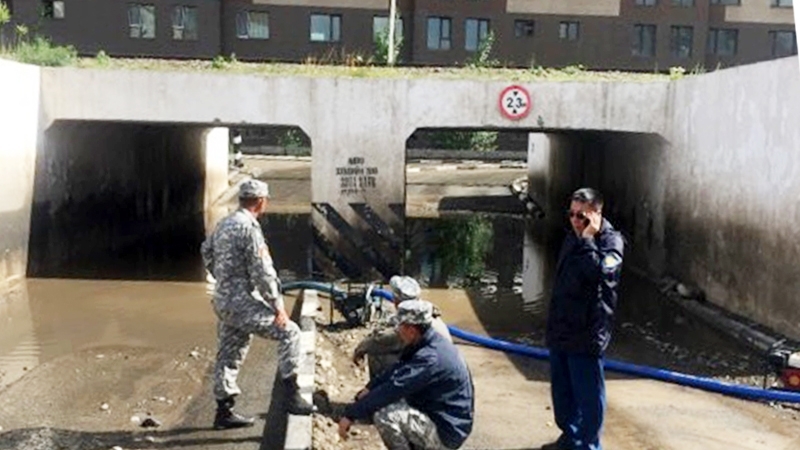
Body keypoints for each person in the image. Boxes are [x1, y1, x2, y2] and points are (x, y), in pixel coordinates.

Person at [201, 179, 315, 430]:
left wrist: (222, 279)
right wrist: (278, 307)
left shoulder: (224, 223)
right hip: (241, 301)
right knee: (291, 333)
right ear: (261, 201)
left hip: (223, 300)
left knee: (231, 351)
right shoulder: (249, 228)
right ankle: (291, 397)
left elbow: (206, 252)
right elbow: (263, 272)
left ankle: (223, 412)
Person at [544, 188, 624, 450]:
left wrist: (589, 240)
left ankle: (588, 445)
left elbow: (599, 275)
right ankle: (570, 437)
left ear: (596, 214)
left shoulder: (611, 243)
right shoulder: (571, 237)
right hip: (562, 330)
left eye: (582, 216)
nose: (576, 221)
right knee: (563, 397)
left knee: (589, 398)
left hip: (586, 333)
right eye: (572, 214)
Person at [339, 300, 475, 450]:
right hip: (442, 415)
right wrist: (370, 387)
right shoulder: (428, 342)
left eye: (400, 327)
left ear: (412, 330)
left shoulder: (430, 358)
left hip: (447, 433)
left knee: (385, 415)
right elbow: (399, 369)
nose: (397, 331)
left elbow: (393, 388)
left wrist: (351, 415)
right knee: (386, 400)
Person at [353, 275, 453, 380]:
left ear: (396, 301)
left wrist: (360, 350)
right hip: (442, 368)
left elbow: (378, 340)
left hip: (432, 373)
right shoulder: (427, 312)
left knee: (377, 354)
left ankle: (380, 391)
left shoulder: (408, 326)